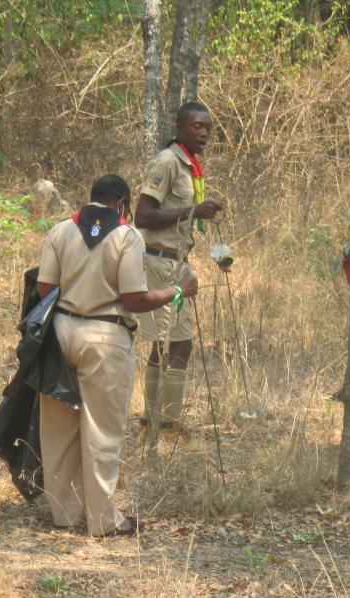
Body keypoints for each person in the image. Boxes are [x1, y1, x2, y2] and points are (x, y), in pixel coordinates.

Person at [35, 175, 198, 537]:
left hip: (60, 333)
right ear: (123, 202)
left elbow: (45, 288)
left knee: (58, 428)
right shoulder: (127, 237)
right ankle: (103, 520)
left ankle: (64, 513)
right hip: (106, 337)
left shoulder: (61, 230)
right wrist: (178, 291)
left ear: (91, 200)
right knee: (103, 431)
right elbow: (134, 300)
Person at [134, 101, 228, 432]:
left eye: (207, 127)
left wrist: (218, 251)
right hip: (160, 262)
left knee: (176, 342)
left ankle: (160, 419)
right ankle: (160, 422)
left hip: (178, 262)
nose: (203, 132)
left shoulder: (191, 166)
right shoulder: (167, 162)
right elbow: (143, 215)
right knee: (170, 342)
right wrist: (193, 212)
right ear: (180, 128)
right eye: (197, 126)